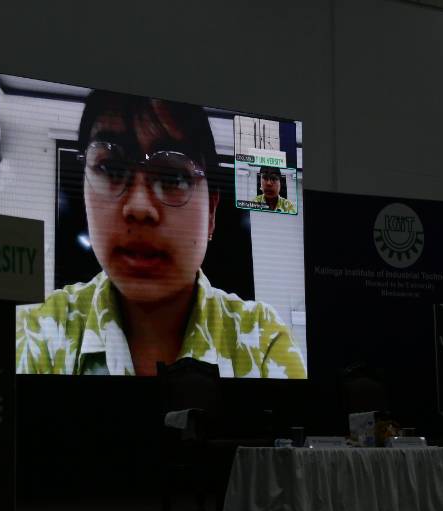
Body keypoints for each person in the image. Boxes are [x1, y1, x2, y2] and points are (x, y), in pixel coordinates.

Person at [16, 90, 305, 378]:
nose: (139, 207)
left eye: (173, 176)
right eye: (111, 168)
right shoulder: (35, 335)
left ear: (211, 212)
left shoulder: (262, 342)